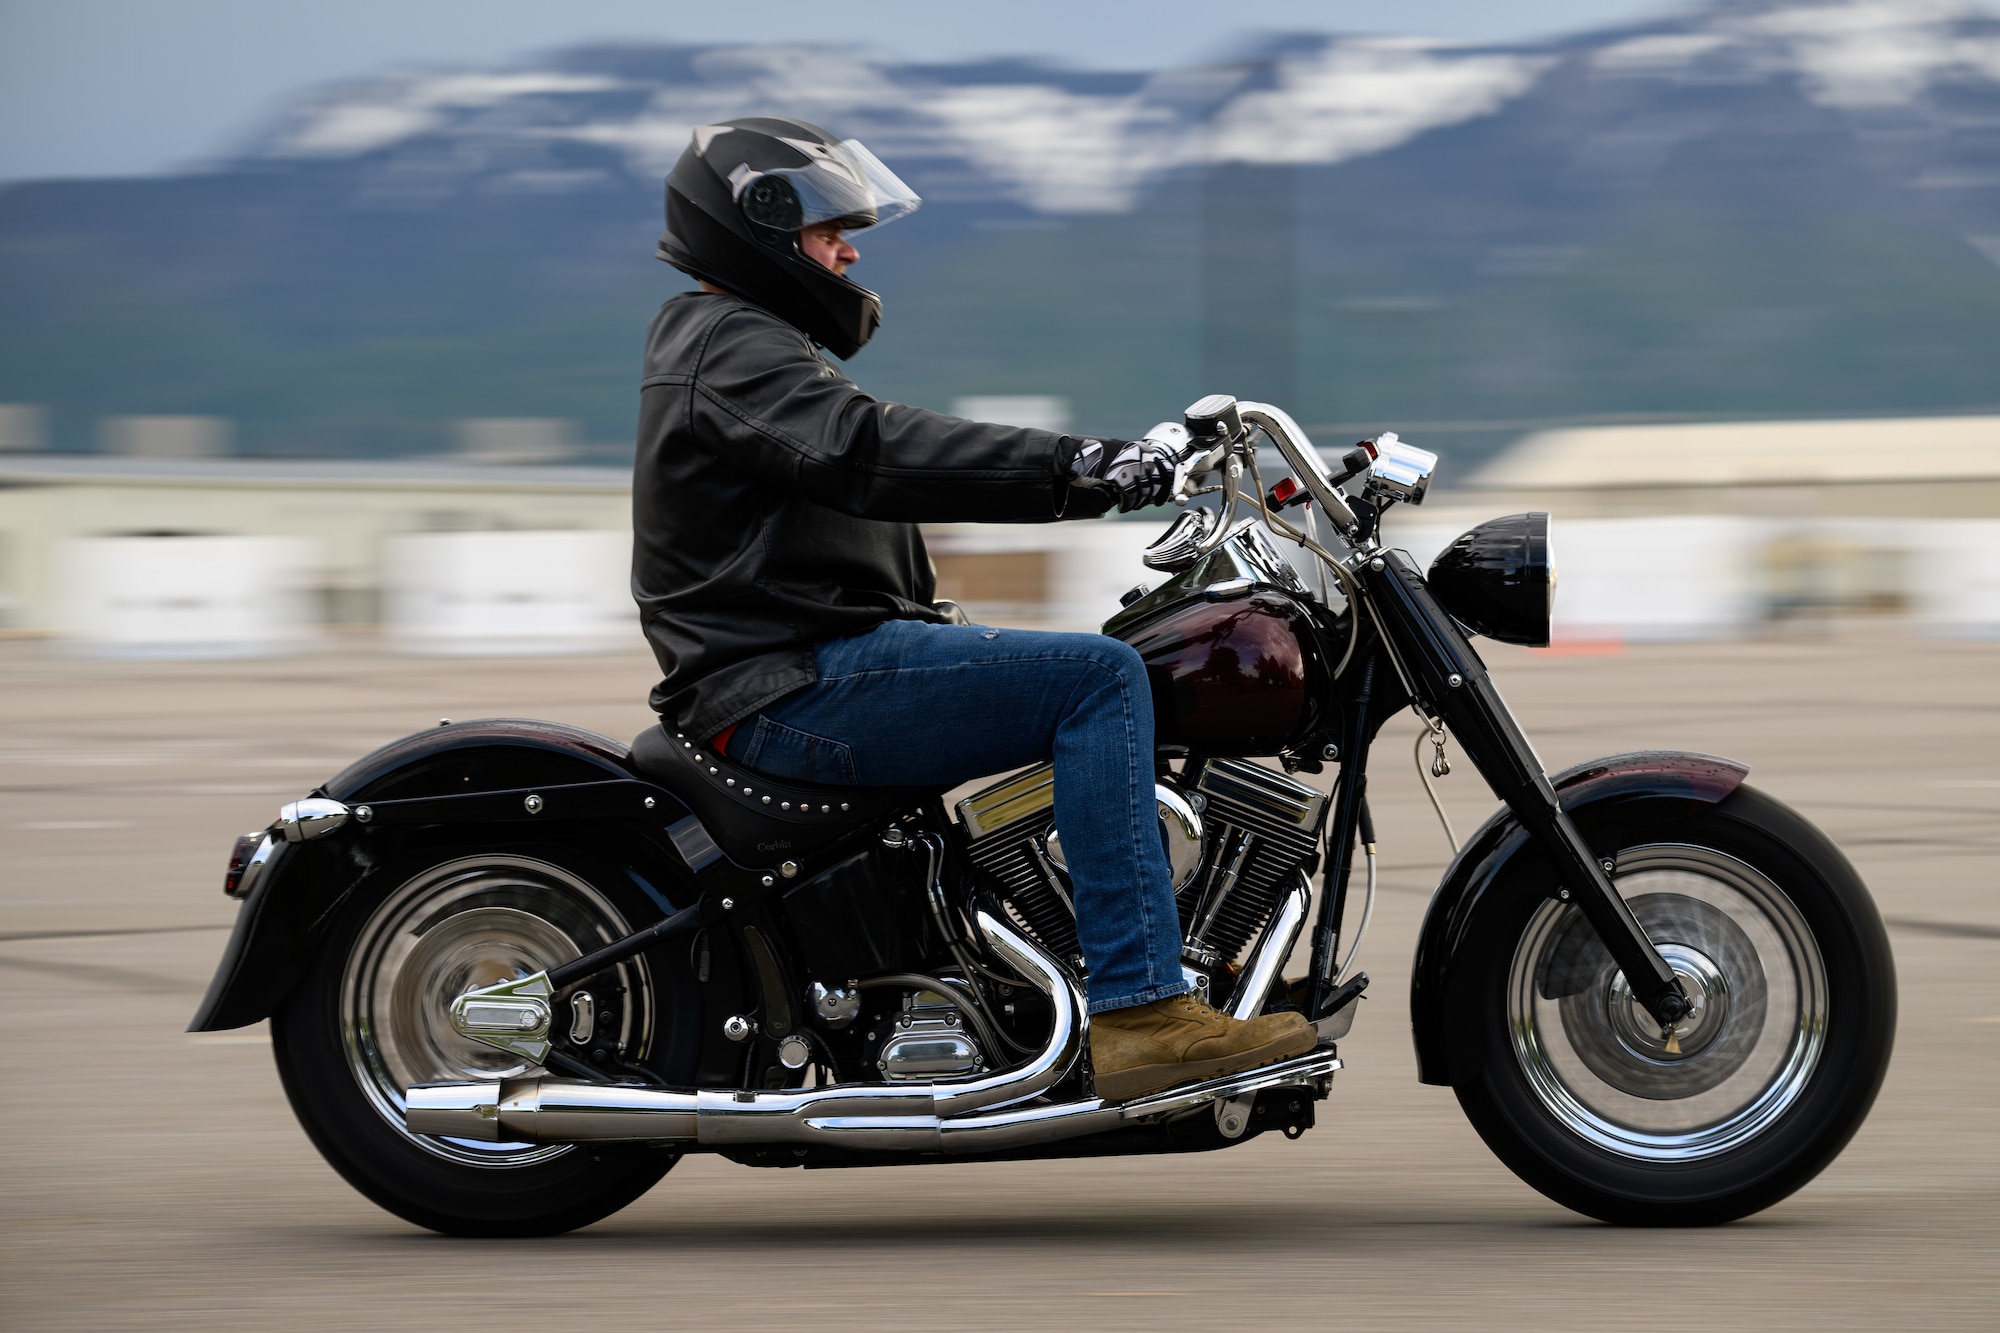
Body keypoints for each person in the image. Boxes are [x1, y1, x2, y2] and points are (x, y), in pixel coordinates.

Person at [632, 116, 1313, 1102]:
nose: (849, 249)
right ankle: (1142, 1013)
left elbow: (848, 479)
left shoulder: (741, 346)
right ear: (758, 228)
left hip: (795, 666)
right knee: (1098, 679)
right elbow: (869, 450)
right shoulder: (726, 343)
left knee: (1101, 656)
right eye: (829, 227)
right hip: (785, 686)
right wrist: (1080, 466)